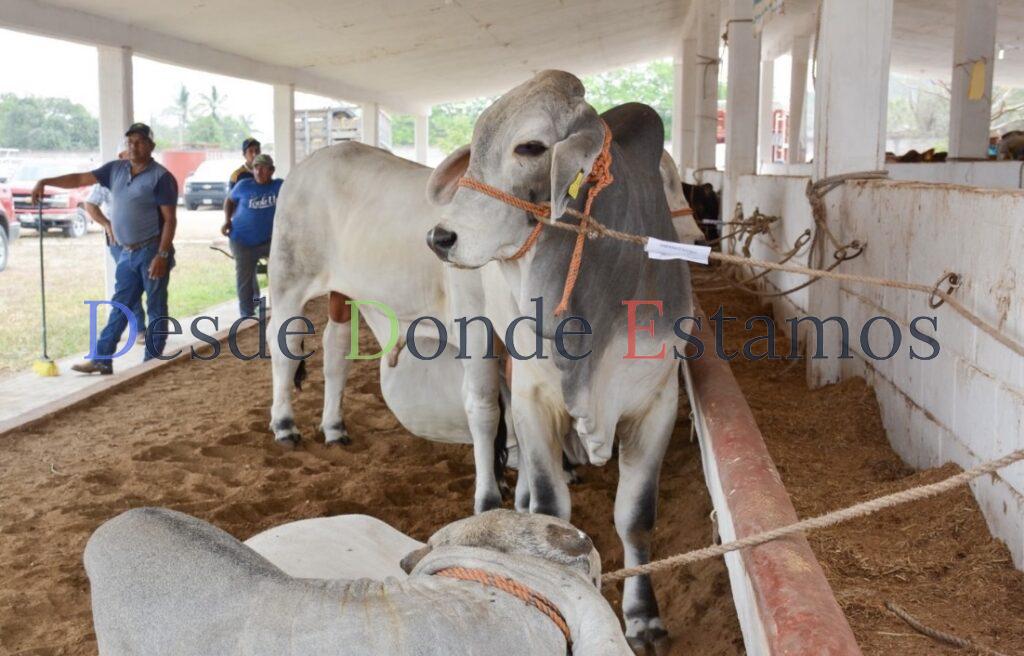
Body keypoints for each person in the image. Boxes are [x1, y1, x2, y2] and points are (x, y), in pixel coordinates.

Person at [32, 122, 178, 374]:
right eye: (130, 141)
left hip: (152, 250)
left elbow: (170, 219)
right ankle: (102, 357)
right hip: (126, 251)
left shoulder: (161, 177)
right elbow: (79, 179)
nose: (133, 146)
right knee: (120, 305)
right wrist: (46, 181)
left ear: (151, 146)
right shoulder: (115, 169)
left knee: (155, 306)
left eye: (140, 141)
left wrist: (162, 254)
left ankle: (151, 362)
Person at [83, 152, 146, 345]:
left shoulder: (148, 175)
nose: (135, 154)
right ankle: (139, 329)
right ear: (121, 155)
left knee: (145, 283)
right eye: (130, 151)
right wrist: (107, 225)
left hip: (145, 239)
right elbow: (90, 203)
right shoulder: (108, 178)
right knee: (128, 284)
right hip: (118, 241)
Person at [222, 153, 282, 317]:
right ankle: (247, 315)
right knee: (245, 279)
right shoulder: (243, 185)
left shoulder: (279, 186)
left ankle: (280, 308)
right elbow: (229, 200)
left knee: (282, 272)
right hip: (242, 240)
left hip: (270, 241)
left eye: (263, 168)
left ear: (272, 170)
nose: (259, 171)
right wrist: (227, 220)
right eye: (256, 167)